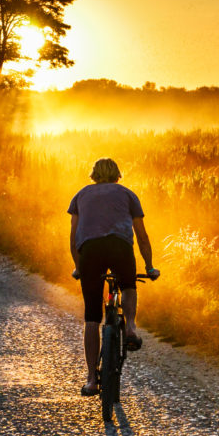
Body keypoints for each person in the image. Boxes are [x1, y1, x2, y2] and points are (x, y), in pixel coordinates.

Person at [68, 158, 160, 397]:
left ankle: (91, 380)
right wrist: (150, 266)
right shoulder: (128, 194)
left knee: (91, 317)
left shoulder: (80, 195)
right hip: (120, 248)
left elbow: (73, 236)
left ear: (94, 175)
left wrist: (79, 267)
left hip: (91, 252)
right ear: (118, 174)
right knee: (129, 285)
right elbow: (141, 235)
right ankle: (129, 327)